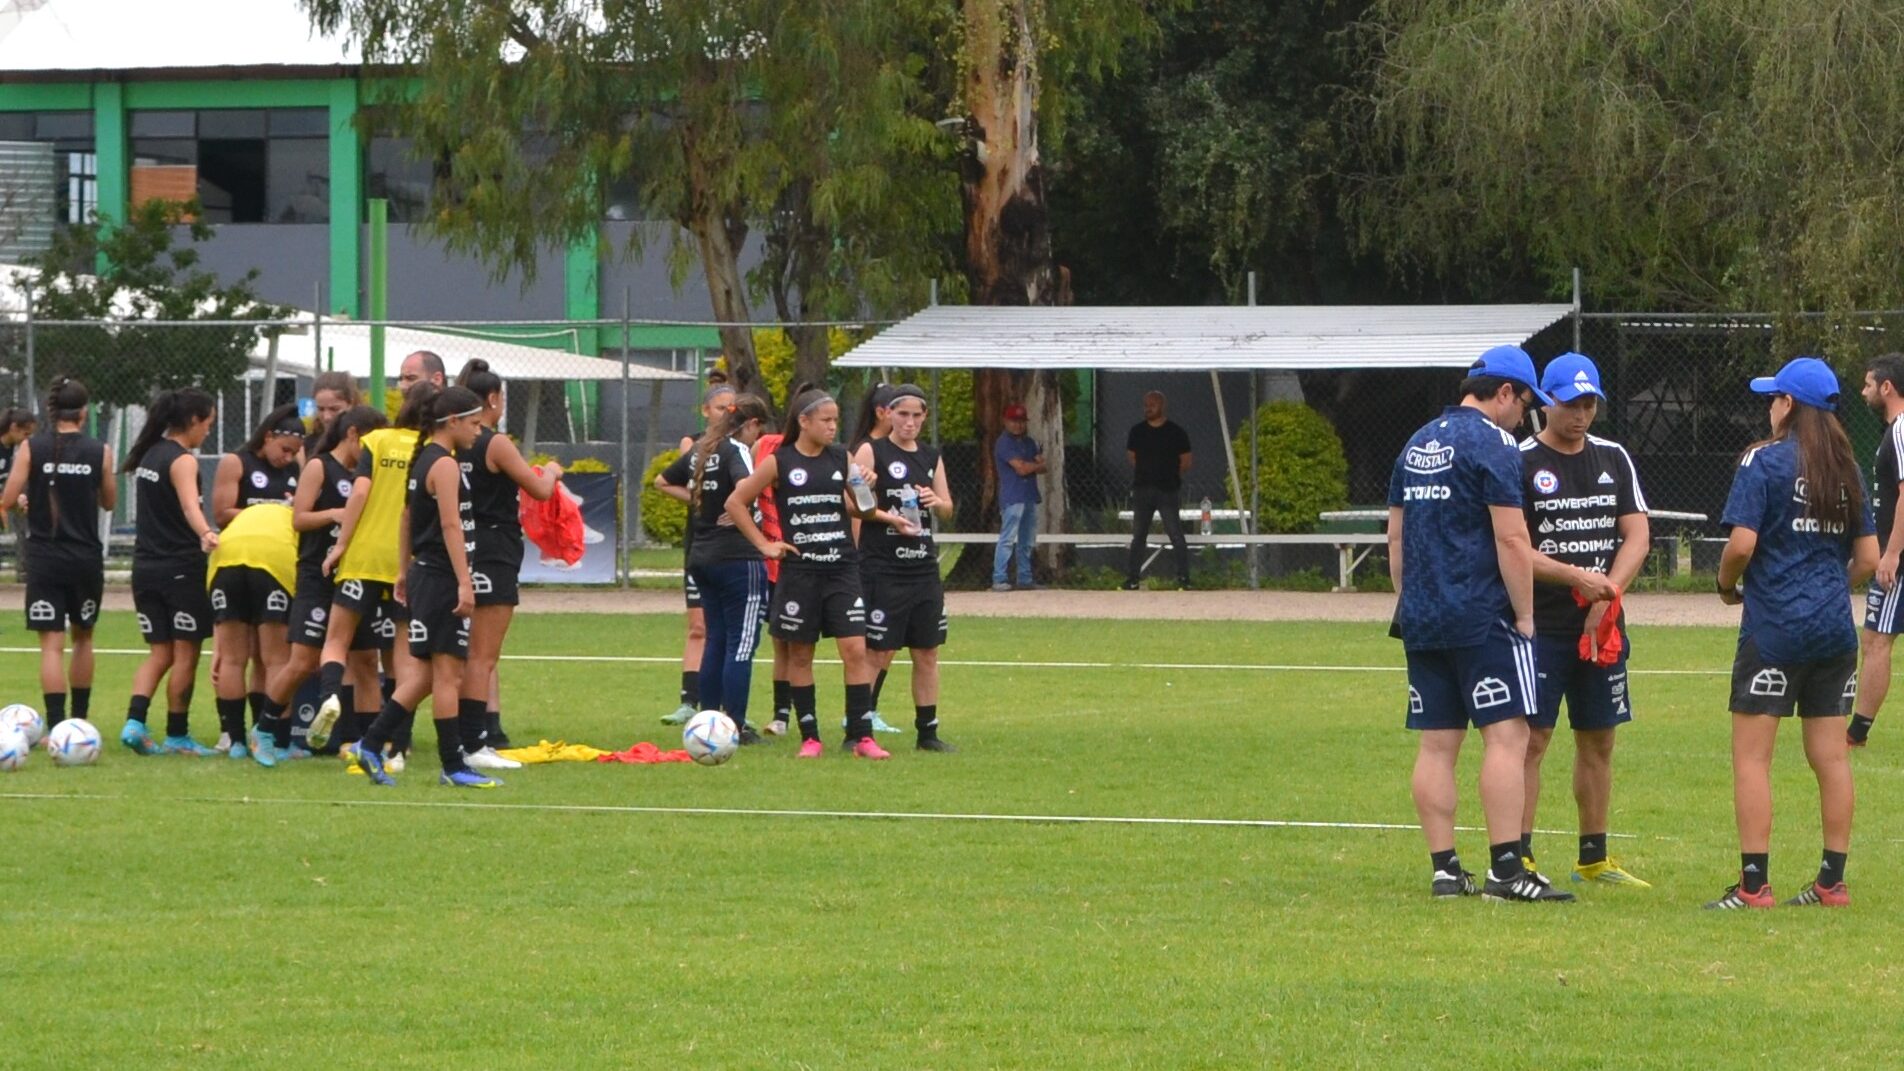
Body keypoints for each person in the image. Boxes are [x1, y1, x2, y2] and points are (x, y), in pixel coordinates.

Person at [1389, 345, 1574, 902]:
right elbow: (1512, 538)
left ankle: (1446, 870)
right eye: (1525, 404)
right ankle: (1506, 870)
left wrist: (1409, 600)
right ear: (1504, 394)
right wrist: (1524, 614)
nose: (1526, 418)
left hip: (1422, 616)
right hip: (1481, 614)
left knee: (1437, 745)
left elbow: (1395, 536)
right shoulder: (1496, 444)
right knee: (1508, 736)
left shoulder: (1418, 439)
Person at [1708, 357, 1876, 910]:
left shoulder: (1764, 462)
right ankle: (1833, 880)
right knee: (1831, 759)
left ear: (1790, 406)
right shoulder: (1847, 469)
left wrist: (1727, 586)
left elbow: (1740, 546)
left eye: (1774, 397)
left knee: (1752, 760)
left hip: (1775, 631)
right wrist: (1830, 583)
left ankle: (1754, 885)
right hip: (1834, 632)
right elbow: (1869, 559)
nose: (1770, 405)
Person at [726, 387, 915, 759]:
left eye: (835, 420)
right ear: (804, 421)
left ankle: (862, 737)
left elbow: (861, 510)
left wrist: (865, 487)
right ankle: (809, 736)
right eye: (826, 420)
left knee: (855, 650)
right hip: (800, 572)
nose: (833, 427)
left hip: (842, 569)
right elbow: (736, 502)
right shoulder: (779, 462)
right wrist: (764, 545)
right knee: (800, 655)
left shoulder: (840, 458)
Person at [1516, 353, 1648, 886]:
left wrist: (1606, 593)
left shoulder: (1613, 458)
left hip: (1603, 624)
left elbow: (1637, 534)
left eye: (1589, 403)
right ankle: (1517, 854)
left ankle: (1593, 856)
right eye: (1571, 404)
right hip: (1538, 627)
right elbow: (1514, 548)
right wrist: (1578, 579)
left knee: (1599, 738)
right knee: (1532, 739)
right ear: (1546, 402)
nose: (1581, 414)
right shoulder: (1519, 461)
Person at [353, 385, 498, 788]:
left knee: (420, 677)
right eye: (473, 423)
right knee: (449, 676)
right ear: (451, 422)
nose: (478, 431)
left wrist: (404, 571)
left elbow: (405, 518)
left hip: (424, 575)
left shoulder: (425, 460)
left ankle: (370, 743)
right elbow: (450, 525)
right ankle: (453, 766)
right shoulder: (445, 465)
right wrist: (465, 583)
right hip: (441, 579)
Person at [311, 381, 438, 773]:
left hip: (365, 557)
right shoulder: (431, 450)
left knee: (336, 640)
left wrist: (340, 544)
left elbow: (360, 494)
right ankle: (397, 748)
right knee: (403, 661)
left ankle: (331, 697)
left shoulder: (378, 440)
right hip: (406, 560)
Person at [454, 359, 562, 767]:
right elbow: (538, 490)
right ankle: (474, 743)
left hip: (459, 548)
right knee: (482, 655)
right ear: (494, 399)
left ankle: (453, 737)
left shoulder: (449, 442)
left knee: (458, 654)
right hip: (494, 550)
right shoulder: (493, 442)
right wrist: (550, 471)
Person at [268, 405, 388, 761]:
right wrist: (334, 514)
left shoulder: (366, 475)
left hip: (354, 576)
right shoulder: (320, 466)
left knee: (366, 660)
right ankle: (267, 729)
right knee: (302, 661)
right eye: (369, 443)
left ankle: (366, 742)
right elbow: (299, 519)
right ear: (352, 435)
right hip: (316, 577)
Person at [658, 394, 772, 743]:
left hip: (702, 554)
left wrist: (701, 501)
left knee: (716, 640)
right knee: (741, 645)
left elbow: (663, 481)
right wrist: (738, 506)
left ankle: (708, 721)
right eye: (758, 430)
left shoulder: (700, 449)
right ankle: (734, 726)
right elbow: (743, 488)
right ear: (751, 425)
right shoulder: (735, 449)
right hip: (737, 557)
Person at [1, 378, 111, 734]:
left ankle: (56, 726)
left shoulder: (32, 447)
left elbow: (9, 496)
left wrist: (26, 500)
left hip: (45, 557)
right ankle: (79, 722)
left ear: (52, 411)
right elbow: (109, 501)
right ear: (82, 413)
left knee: (51, 645)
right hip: (85, 557)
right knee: (84, 638)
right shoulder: (101, 451)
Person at [853, 383, 958, 752]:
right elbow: (853, 504)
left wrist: (935, 500)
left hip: (923, 569)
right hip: (883, 567)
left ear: (924, 418)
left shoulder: (930, 456)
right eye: (902, 414)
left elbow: (947, 506)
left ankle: (927, 732)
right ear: (888, 415)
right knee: (878, 652)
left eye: (916, 415)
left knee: (927, 652)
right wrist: (888, 517)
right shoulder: (872, 450)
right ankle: (858, 730)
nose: (909, 422)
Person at [119, 388, 221, 756]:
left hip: (144, 568)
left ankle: (134, 722)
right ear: (193, 421)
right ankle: (177, 735)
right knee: (185, 655)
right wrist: (206, 533)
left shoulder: (149, 453)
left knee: (159, 654)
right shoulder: (182, 461)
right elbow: (189, 507)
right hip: (180, 569)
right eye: (208, 424)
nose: (208, 431)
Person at [209, 404, 305, 749]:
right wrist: (271, 510)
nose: (288, 457)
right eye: (284, 449)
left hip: (272, 562)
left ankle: (257, 736)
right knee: (248, 656)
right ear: (267, 437)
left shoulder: (297, 468)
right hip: (244, 559)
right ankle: (241, 739)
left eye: (295, 452)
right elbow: (221, 513)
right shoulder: (238, 462)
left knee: (267, 659)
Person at [661, 382, 738, 725]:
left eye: (732, 408)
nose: (727, 414)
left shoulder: (740, 448)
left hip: (734, 548)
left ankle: (728, 703)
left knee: (728, 628)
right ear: (706, 411)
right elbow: (666, 482)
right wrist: (699, 500)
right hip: (702, 543)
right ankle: (689, 700)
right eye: (721, 407)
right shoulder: (693, 445)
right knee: (699, 625)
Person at [207, 501, 298, 766]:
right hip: (272, 561)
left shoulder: (249, 515)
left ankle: (236, 742)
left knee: (233, 659)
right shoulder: (296, 519)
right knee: (276, 660)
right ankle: (278, 742)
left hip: (224, 560)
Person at [1851, 351, 1904, 748]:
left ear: (1887, 387)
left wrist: (1891, 554)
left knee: (1876, 640)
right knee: (1875, 639)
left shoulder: (1901, 430)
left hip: (1897, 560)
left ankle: (1856, 733)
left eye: (1869, 384)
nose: (1864, 391)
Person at [1123, 391, 1193, 590]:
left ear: (1162, 406)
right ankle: (1133, 578)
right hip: (1143, 489)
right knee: (1138, 536)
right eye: (1145, 404)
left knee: (1175, 534)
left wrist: (1170, 474)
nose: (1147, 408)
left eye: (1152, 404)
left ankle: (1183, 578)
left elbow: (1186, 461)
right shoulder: (1137, 431)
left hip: (1167, 490)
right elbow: (1132, 457)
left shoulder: (1176, 432)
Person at [991, 403, 1044, 592]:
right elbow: (1022, 469)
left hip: (1029, 495)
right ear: (1006, 421)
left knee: (1027, 539)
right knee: (1007, 538)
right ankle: (999, 578)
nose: (1018, 425)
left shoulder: (1029, 442)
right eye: (1014, 421)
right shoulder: (1004, 442)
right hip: (1013, 496)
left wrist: (1031, 466)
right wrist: (1033, 466)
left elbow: (1043, 466)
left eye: (1021, 421)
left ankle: (1024, 578)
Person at [0, 405, 39, 529]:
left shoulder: (10, 449)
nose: (27, 439)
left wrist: (16, 501)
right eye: (26, 434)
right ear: (13, 428)